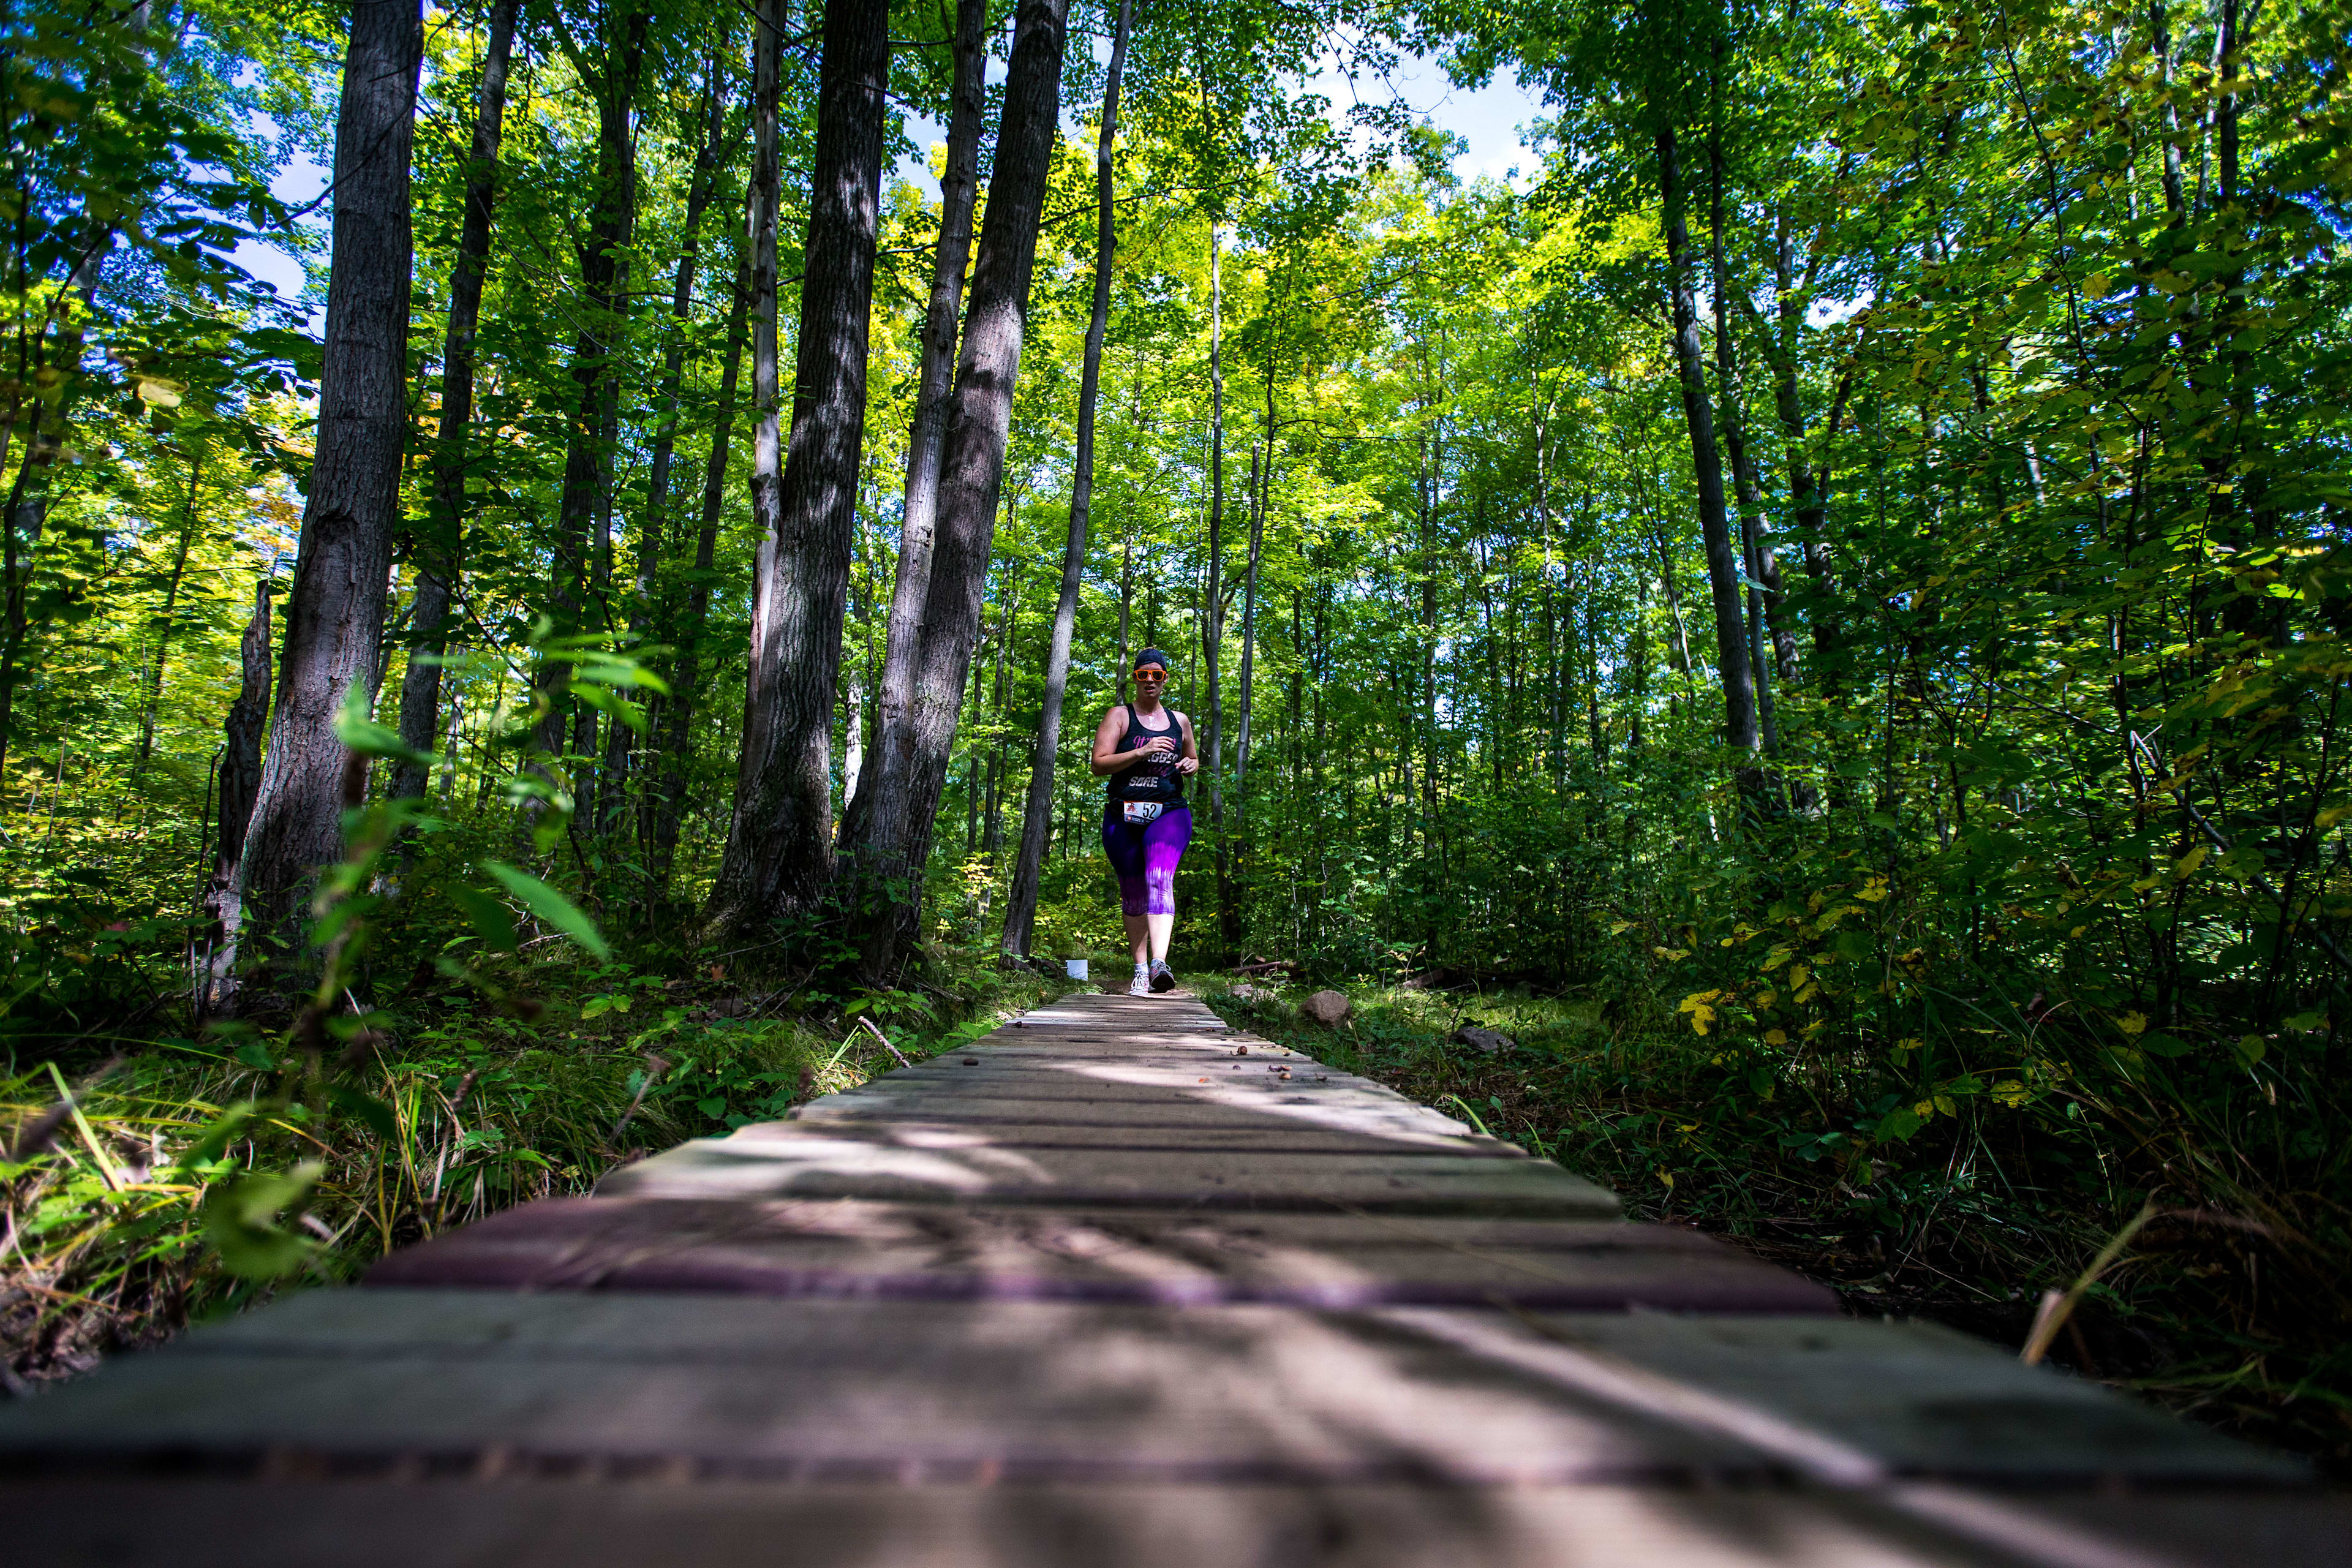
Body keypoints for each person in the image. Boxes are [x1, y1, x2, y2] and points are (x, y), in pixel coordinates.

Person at [1090, 648, 1198, 995]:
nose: (1149, 680)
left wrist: (1190, 765)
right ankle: (1139, 969)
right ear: (1135, 679)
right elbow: (1098, 764)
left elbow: (1192, 757)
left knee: (1159, 878)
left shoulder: (1180, 721)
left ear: (1165, 679)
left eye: (1156, 675)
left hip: (1169, 812)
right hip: (1124, 815)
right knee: (1134, 891)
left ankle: (1158, 964)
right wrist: (1142, 751)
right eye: (1142, 675)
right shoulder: (1119, 716)